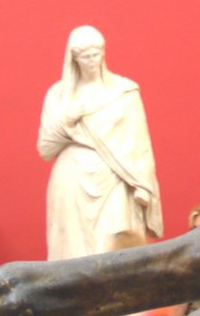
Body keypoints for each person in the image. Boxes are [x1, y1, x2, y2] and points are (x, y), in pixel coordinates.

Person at [38, 25, 163, 260]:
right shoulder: (59, 95)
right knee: (72, 252)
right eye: (85, 56)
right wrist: (67, 119)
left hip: (114, 176)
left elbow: (140, 145)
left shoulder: (124, 91)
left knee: (114, 252)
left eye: (96, 54)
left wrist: (143, 184)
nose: (92, 61)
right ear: (74, 58)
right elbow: (45, 148)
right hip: (72, 177)